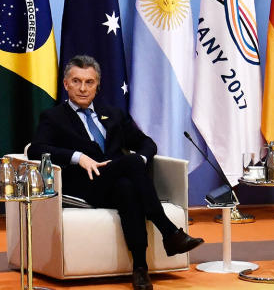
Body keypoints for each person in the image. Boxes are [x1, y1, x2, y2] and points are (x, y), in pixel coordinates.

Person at [28, 55, 203, 290]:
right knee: (129, 164)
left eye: (89, 82)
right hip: (85, 187)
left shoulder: (114, 114)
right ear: (66, 84)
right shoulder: (53, 117)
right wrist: (78, 158)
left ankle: (140, 268)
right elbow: (36, 150)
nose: (82, 88)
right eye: (76, 81)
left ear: (97, 85)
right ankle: (168, 231)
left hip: (116, 183)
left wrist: (140, 160)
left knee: (127, 188)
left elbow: (147, 143)